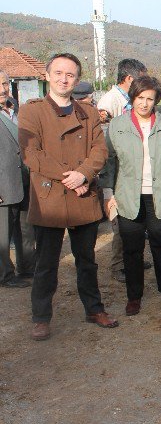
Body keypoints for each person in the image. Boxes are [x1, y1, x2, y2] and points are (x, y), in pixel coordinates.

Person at [19, 53, 118, 341]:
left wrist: (83, 174)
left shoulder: (87, 113)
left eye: (70, 74)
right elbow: (31, 154)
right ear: (47, 75)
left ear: (77, 79)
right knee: (46, 263)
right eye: (59, 73)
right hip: (49, 198)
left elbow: (100, 150)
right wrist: (69, 176)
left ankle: (93, 308)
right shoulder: (31, 111)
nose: (64, 79)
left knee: (86, 260)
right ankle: (41, 317)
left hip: (83, 194)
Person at [100, 76, 161, 316]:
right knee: (132, 248)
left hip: (159, 195)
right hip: (128, 196)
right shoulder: (117, 125)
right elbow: (109, 161)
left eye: (150, 99)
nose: (145, 104)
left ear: (156, 100)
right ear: (133, 98)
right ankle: (134, 296)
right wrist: (109, 194)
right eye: (140, 98)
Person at [97, 59, 150, 282]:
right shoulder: (109, 102)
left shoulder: (129, 99)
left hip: (134, 168)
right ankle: (119, 265)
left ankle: (134, 258)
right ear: (129, 79)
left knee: (138, 217)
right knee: (121, 219)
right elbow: (105, 143)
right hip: (117, 169)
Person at [0, 69, 34, 289]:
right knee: (3, 233)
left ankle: (28, 267)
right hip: (3, 182)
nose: (2, 89)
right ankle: (5, 275)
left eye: (4, 83)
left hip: (23, 179)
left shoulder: (16, 108)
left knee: (26, 227)